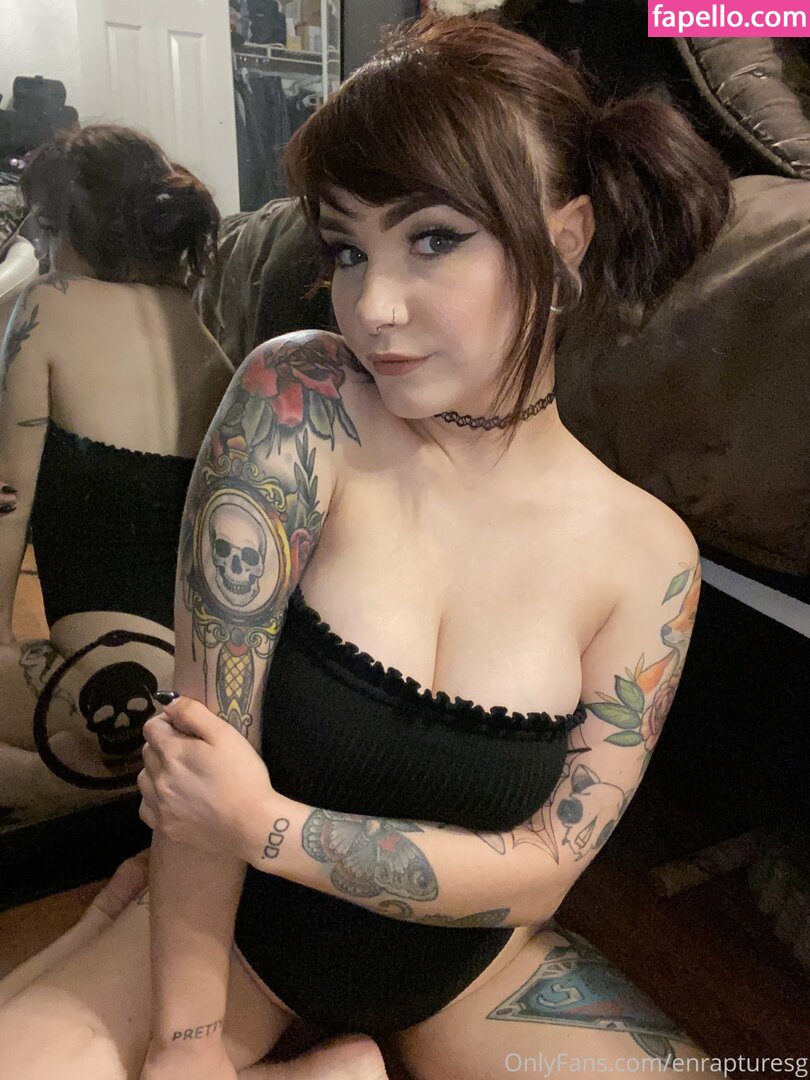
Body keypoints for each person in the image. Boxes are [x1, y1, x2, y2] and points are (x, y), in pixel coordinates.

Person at [0, 15, 729, 1079]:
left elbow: (542, 870)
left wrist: (267, 824)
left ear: (566, 239)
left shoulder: (648, 557)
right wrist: (186, 1040)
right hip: (239, 947)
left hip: (469, 973)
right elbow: (197, 776)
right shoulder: (301, 404)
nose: (373, 307)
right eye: (348, 250)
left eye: (432, 239)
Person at [0, 124, 233, 819]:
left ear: (72, 227)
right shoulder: (209, 345)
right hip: (188, 680)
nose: (42, 248)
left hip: (96, 669)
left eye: (46, 229)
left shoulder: (51, 303)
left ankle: (78, 783)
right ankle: (114, 776)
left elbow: (7, 499)